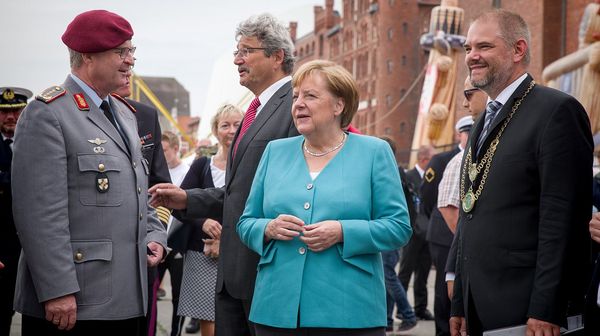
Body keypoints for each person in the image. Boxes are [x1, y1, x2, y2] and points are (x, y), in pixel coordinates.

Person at [11, 10, 167, 335]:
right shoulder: (48, 114)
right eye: (120, 52)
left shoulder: (124, 114)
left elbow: (140, 194)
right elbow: (39, 214)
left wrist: (154, 235)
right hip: (74, 302)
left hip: (128, 293)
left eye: (131, 51)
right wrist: (56, 288)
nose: (130, 61)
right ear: (87, 57)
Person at [235, 59, 411, 336]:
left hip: (349, 309)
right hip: (276, 309)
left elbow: (398, 227)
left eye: (310, 96)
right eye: (295, 97)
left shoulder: (374, 152)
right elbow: (246, 222)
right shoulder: (274, 152)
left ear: (339, 106)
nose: (298, 104)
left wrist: (342, 231)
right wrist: (267, 228)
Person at [148, 13, 298, 336]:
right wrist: (187, 198)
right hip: (233, 276)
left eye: (246, 51)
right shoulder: (253, 112)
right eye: (235, 51)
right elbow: (239, 192)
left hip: (264, 272)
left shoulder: (294, 106)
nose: (236, 60)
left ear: (276, 56)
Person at [450, 9, 592, 336]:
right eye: (468, 48)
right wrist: (460, 300)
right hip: (480, 306)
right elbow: (470, 214)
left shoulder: (556, 111)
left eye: (484, 47)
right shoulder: (482, 122)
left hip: (527, 309)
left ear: (518, 50)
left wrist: (547, 307)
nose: (472, 56)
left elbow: (563, 219)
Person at [177, 104, 243, 336]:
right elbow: (180, 204)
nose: (231, 130)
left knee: (238, 320)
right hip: (202, 254)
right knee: (208, 319)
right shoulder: (201, 165)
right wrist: (202, 221)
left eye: (237, 124)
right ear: (215, 130)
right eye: (225, 125)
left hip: (238, 252)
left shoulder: (249, 165)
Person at [114, 79, 172, 336]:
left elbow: (160, 187)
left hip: (141, 253)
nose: (128, 65)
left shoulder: (145, 116)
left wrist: (156, 237)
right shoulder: (64, 111)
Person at [443, 80, 486, 301]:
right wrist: (454, 267)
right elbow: (456, 210)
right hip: (465, 254)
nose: (463, 103)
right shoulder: (462, 156)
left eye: (468, 95)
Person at [0, 86, 32, 336]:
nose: (10, 117)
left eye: (15, 111)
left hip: (32, 251)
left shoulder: (36, 143)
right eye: (4, 112)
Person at [421, 143, 460, 336]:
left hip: (467, 233)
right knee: (444, 289)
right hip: (444, 234)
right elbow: (427, 195)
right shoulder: (443, 159)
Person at [156, 131, 190, 336]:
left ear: (176, 149)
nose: (161, 154)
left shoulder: (187, 172)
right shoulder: (156, 172)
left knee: (179, 296)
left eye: (165, 150)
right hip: (158, 243)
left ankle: (174, 333)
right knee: (152, 291)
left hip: (177, 245)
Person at [399, 144, 434, 321]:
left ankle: (421, 308)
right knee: (406, 271)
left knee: (424, 272)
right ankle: (401, 308)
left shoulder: (432, 177)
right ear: (423, 159)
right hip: (411, 232)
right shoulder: (408, 176)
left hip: (427, 232)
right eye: (431, 159)